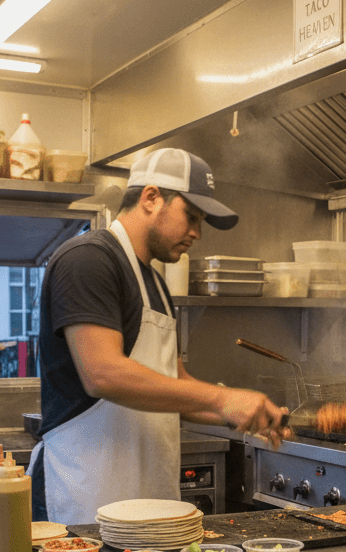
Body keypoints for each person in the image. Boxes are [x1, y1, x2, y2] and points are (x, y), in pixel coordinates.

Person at [29, 148, 289, 525]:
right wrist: (221, 397)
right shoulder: (88, 259)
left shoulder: (155, 282)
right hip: (84, 494)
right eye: (192, 216)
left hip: (148, 500)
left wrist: (237, 414)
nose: (197, 233)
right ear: (151, 198)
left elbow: (173, 385)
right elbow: (103, 373)